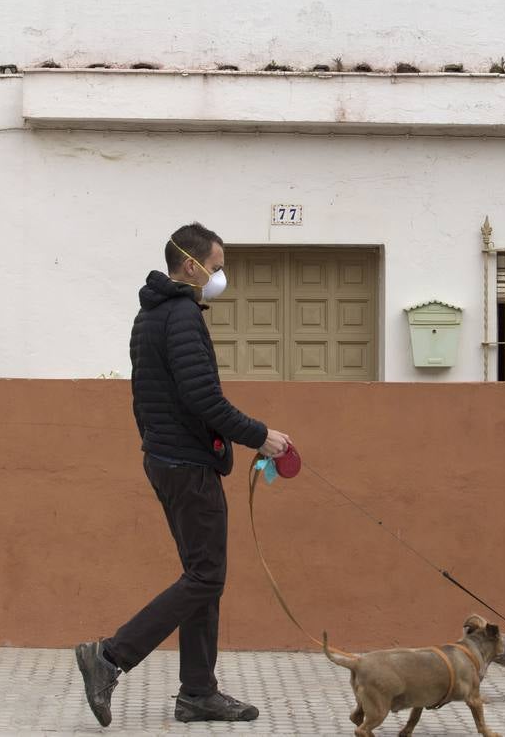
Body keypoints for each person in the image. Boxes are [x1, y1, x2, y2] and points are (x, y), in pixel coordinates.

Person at [75, 223, 291, 727]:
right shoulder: (181, 316)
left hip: (165, 459)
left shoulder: (147, 316)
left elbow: (146, 397)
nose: (219, 277)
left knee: (202, 575)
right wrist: (260, 435)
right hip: (187, 465)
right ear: (190, 265)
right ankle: (109, 656)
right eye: (216, 268)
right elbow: (203, 398)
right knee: (206, 576)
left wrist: (158, 445)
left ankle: (198, 693)